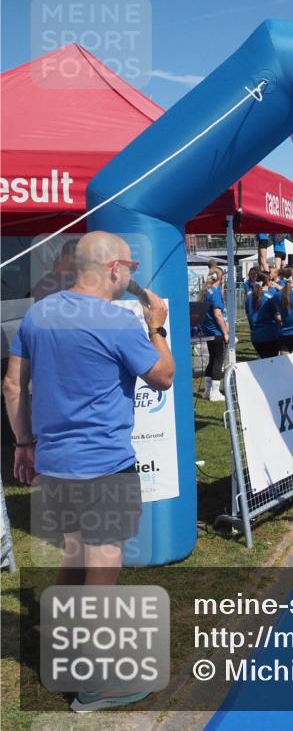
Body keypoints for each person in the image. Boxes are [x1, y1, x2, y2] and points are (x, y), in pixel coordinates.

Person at [3, 231, 174, 712]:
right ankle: (95, 682)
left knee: (76, 557)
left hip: (55, 465)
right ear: (114, 268)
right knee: (103, 566)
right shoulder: (118, 323)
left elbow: (14, 386)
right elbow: (163, 376)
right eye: (131, 269)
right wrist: (155, 325)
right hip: (103, 465)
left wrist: (24, 444)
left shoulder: (39, 313)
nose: (131, 279)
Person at [200, 269, 228, 401]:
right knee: (218, 360)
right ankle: (215, 393)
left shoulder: (206, 291)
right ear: (220, 278)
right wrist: (225, 333)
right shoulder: (215, 294)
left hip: (208, 331)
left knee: (212, 359)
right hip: (216, 332)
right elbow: (218, 314)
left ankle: (207, 391)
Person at [245, 269, 283, 359]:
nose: (272, 281)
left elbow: (249, 316)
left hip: (255, 337)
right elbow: (278, 318)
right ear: (266, 281)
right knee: (271, 365)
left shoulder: (249, 297)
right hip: (270, 336)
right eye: (270, 279)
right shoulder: (270, 297)